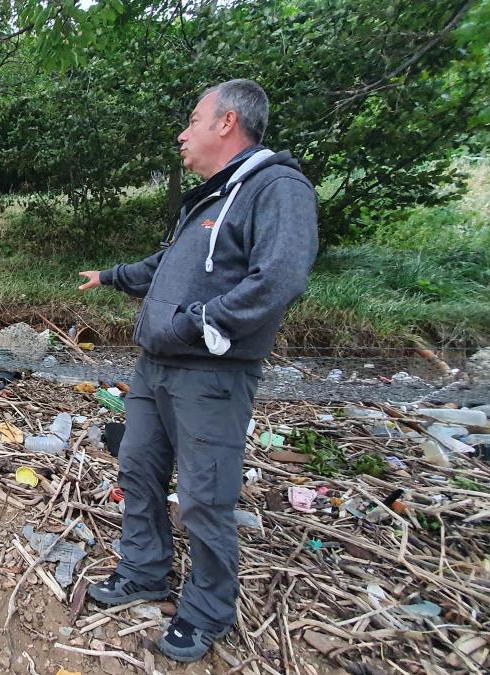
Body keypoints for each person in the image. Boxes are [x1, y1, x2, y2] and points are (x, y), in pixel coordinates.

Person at [77, 79, 318, 663]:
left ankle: (207, 611)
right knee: (136, 469)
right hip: (154, 367)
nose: (183, 133)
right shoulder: (214, 196)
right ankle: (143, 572)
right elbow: (169, 266)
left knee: (206, 498)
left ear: (227, 123)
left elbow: (279, 279)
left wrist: (197, 322)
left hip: (210, 376)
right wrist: (112, 277)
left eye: (193, 119)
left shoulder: (277, 189)